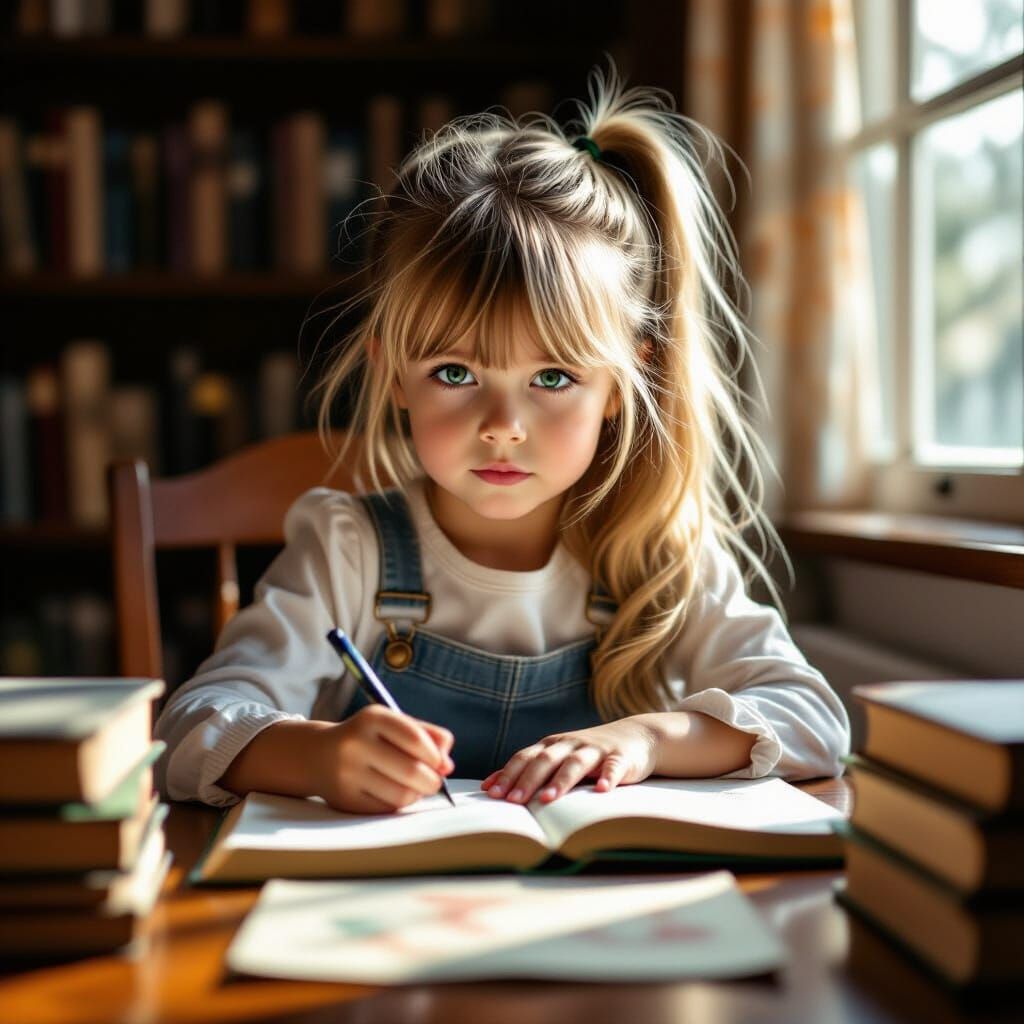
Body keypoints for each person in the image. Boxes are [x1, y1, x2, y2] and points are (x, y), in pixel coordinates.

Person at [154, 59, 850, 815]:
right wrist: (314, 755)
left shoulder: (659, 556)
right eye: (455, 373)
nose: (502, 427)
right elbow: (188, 729)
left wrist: (649, 739)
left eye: (552, 379)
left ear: (621, 385)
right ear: (392, 374)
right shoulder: (347, 550)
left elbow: (814, 719)